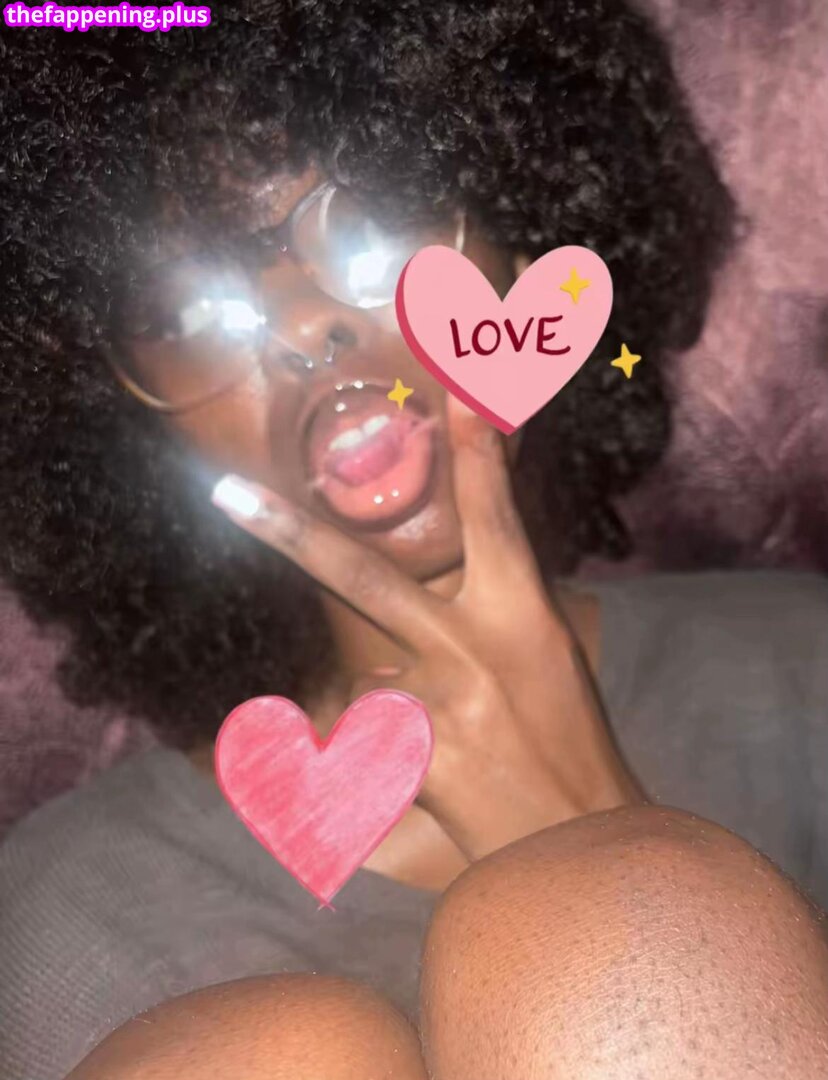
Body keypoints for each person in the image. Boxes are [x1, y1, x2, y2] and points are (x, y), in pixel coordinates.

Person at [2, 3, 828, 1079]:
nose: (311, 325)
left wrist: (601, 835)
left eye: (377, 218)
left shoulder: (806, 666)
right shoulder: (62, 912)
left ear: (520, 245)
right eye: (190, 312)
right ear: (131, 440)